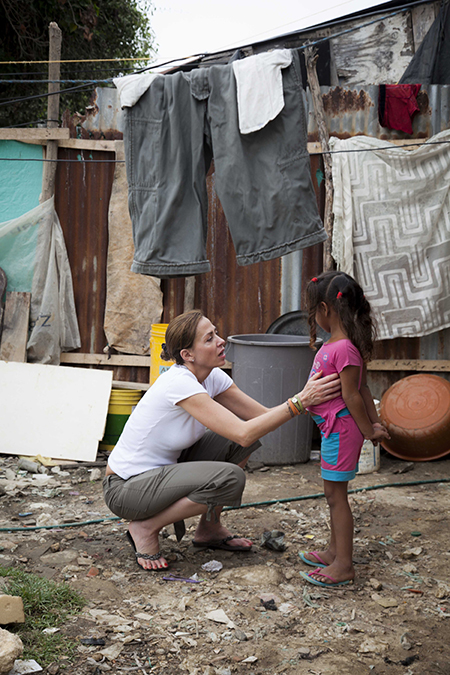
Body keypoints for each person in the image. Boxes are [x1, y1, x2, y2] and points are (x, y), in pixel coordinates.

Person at [103, 309, 341, 571]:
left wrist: (310, 399)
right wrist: (299, 402)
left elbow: (261, 418)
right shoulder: (179, 383)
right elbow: (244, 430)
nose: (220, 340)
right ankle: (146, 527)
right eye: (209, 338)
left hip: (160, 475)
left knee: (242, 443)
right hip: (126, 489)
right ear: (187, 355)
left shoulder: (211, 376)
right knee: (230, 477)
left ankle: (210, 528)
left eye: (216, 333)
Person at [299, 272, 390, 588]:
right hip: (334, 429)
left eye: (314, 311)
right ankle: (334, 551)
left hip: (342, 430)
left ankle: (343, 565)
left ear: (325, 309)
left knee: (336, 497)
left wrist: (369, 430)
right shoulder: (334, 345)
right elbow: (362, 389)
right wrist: (374, 424)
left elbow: (355, 393)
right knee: (333, 495)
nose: (314, 317)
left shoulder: (344, 349)